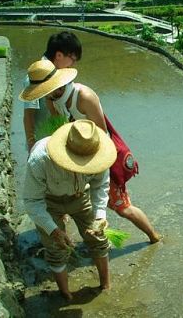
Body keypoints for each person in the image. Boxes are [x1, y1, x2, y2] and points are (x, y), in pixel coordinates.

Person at [20, 60, 161, 244]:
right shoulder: (51, 99)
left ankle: (153, 236)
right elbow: (61, 130)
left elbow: (102, 138)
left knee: (121, 206)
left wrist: (91, 172)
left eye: (45, 91)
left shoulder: (84, 97)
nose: (44, 96)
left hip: (101, 155)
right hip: (79, 155)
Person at [23, 119, 117, 300]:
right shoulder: (40, 160)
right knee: (56, 247)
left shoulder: (99, 153)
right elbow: (32, 200)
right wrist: (53, 230)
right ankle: (66, 293)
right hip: (48, 200)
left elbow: (100, 186)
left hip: (81, 196)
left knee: (98, 238)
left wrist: (100, 216)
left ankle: (106, 284)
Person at [23, 31, 82, 152]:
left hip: (60, 138)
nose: (73, 64)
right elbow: (28, 115)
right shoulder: (36, 78)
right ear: (59, 55)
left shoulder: (60, 73)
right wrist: (31, 145)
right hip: (43, 142)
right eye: (72, 59)